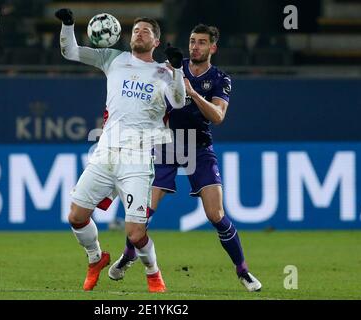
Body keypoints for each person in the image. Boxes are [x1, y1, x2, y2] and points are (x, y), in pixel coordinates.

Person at [107, 24, 262, 292]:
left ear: (213, 48)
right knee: (143, 214)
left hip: (199, 148)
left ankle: (243, 271)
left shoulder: (220, 79)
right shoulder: (172, 68)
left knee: (216, 215)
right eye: (192, 41)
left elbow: (218, 116)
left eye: (202, 42)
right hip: (165, 144)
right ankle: (129, 255)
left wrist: (192, 93)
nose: (195, 47)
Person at [54, 8, 186, 292]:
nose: (139, 33)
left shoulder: (164, 72)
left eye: (146, 31)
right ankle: (95, 258)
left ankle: (153, 273)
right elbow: (71, 52)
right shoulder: (113, 58)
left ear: (156, 42)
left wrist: (177, 70)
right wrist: (68, 25)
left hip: (137, 158)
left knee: (136, 233)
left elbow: (177, 102)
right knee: (76, 216)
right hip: (105, 154)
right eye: (136, 29)